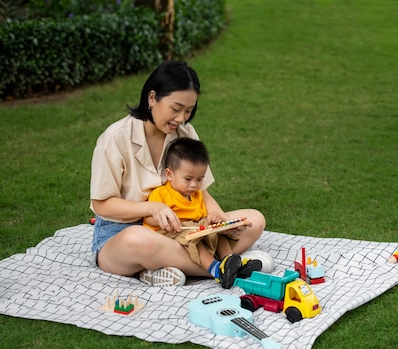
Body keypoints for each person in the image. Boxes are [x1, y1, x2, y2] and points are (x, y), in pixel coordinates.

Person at [90, 60, 267, 286]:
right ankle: (228, 269)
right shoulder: (115, 138)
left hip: (183, 229)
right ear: (152, 98)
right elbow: (101, 205)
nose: (181, 118)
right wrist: (152, 207)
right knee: (140, 240)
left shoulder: (185, 132)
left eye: (189, 110)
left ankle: (166, 267)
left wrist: (223, 222)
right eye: (176, 109)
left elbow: (200, 191)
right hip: (121, 235)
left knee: (254, 220)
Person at [143, 137, 261, 288]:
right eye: (188, 179)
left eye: (199, 179)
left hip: (193, 228)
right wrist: (166, 221)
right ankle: (215, 270)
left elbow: (202, 216)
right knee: (195, 240)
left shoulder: (196, 194)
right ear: (170, 174)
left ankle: (230, 261)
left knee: (217, 231)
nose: (194, 185)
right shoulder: (162, 193)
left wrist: (213, 218)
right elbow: (149, 218)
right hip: (171, 231)